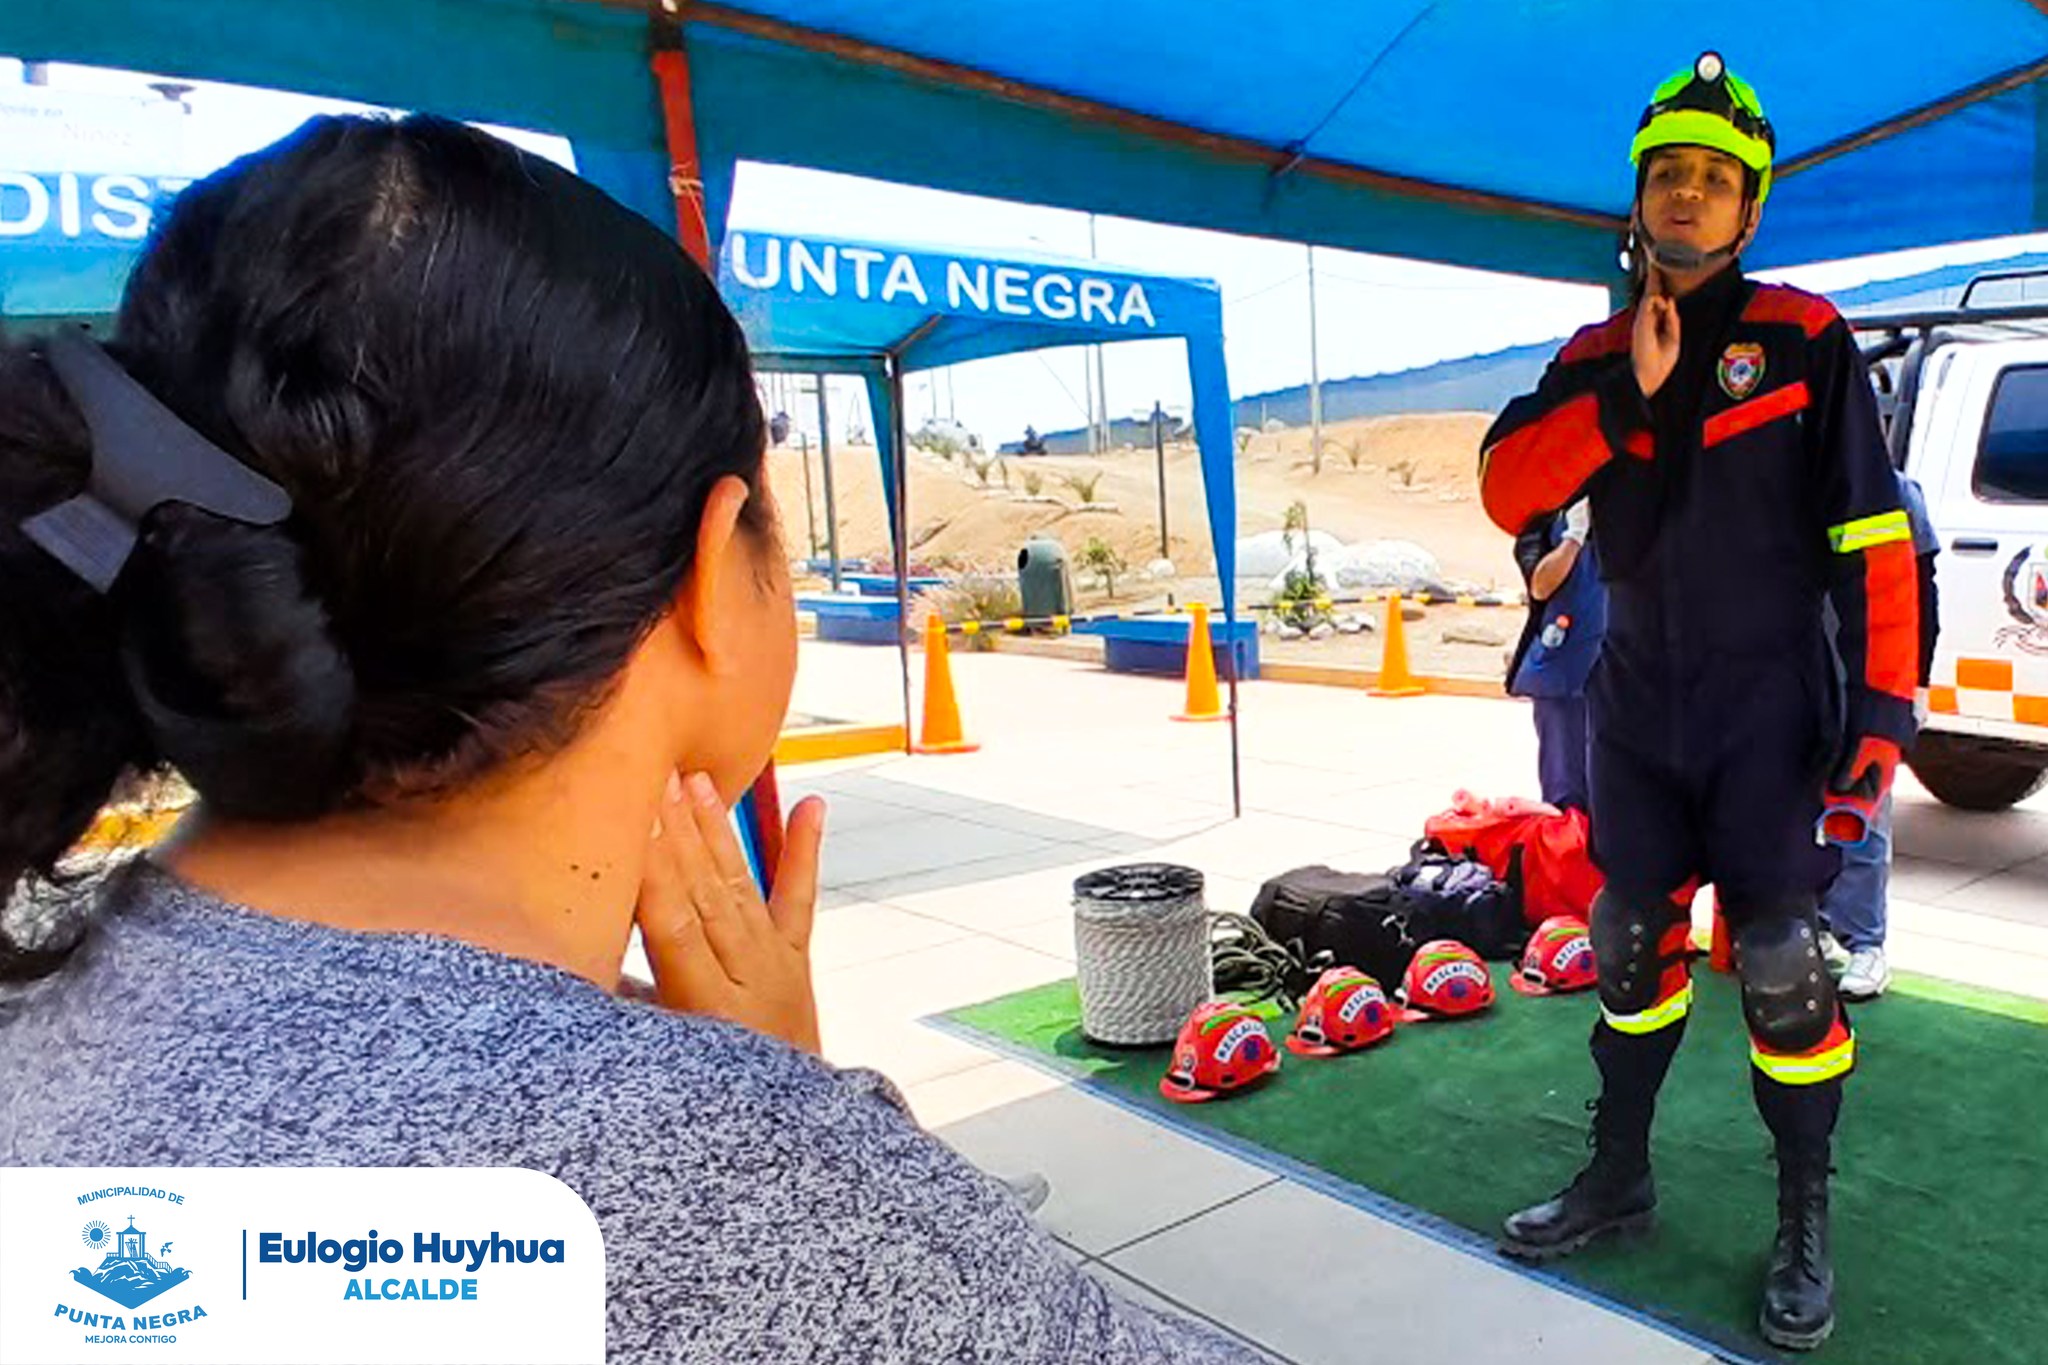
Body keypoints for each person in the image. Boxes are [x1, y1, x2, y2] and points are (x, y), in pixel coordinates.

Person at [0, 115, 1260, 1364]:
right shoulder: (686, 1183)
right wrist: (798, 1138)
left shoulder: (48, 1004)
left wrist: (767, 1119)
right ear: (718, 566)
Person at [1478, 54, 1919, 1351]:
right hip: (1638, 712)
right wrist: (1630, 400)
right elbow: (1513, 491)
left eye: (1715, 180)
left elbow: (1876, 543)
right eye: (1668, 172)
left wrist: (1881, 718)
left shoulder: (1803, 337)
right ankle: (1619, 1177)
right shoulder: (1593, 352)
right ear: (1639, 200)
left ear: (1749, 211)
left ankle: (1803, 1223)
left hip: (1770, 718)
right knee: (1627, 943)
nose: (1688, 192)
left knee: (1782, 969)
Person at [1818, 469, 1941, 1000]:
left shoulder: (1895, 493)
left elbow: (1923, 595)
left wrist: (1918, 684)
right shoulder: (1789, 481)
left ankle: (1866, 944)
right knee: (1792, 814)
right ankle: (1813, 929)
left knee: (1862, 810)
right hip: (1796, 677)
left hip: (1871, 681)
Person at [1507, 497, 1605, 812]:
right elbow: (1540, 586)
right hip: (1563, 672)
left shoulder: (1627, 518)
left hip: (1620, 670)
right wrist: (1573, 537)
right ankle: (1568, 855)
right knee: (1567, 791)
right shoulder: (1542, 524)